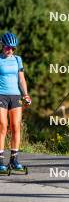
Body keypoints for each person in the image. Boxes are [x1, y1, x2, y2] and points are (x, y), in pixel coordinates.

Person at [0, 32, 31, 173]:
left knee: (15, 127)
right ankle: (0, 160)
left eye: (12, 48)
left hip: (15, 95)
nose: (10, 50)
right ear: (2, 46)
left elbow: (21, 79)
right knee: (2, 126)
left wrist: (25, 95)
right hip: (1, 95)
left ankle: (14, 159)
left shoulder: (18, 60)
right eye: (7, 47)